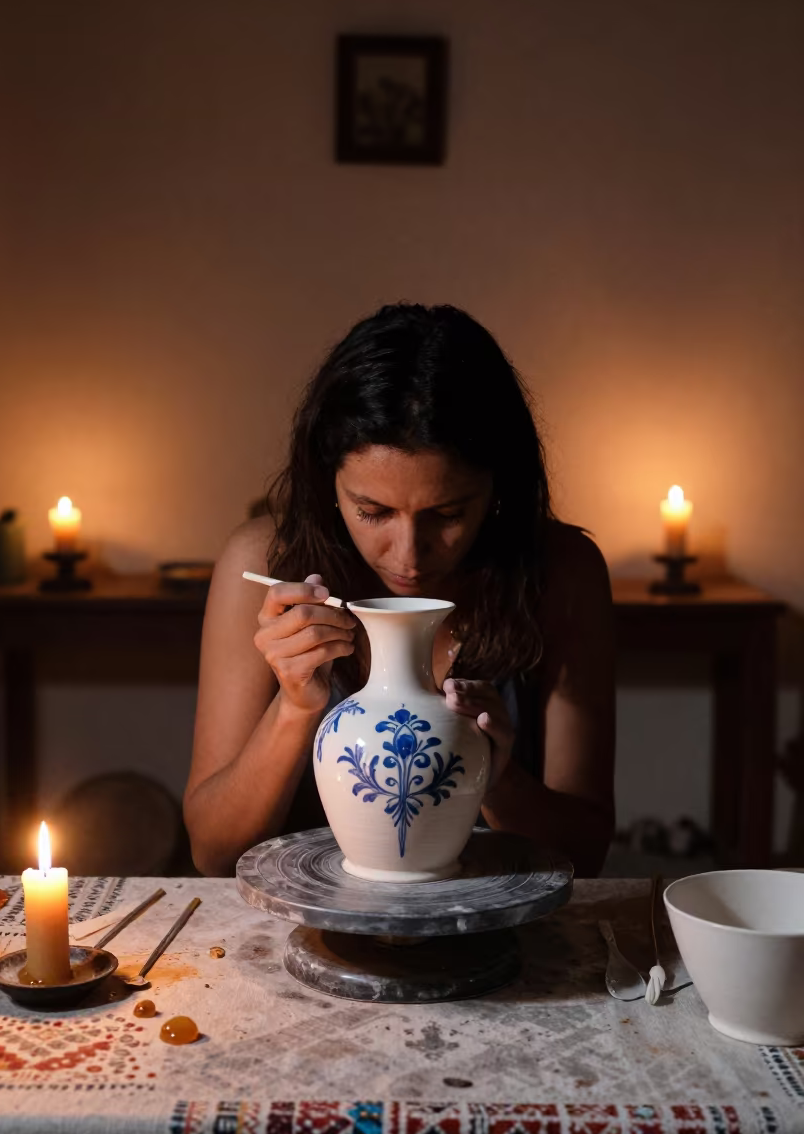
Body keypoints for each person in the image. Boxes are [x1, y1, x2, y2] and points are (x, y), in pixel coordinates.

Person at [184, 303, 615, 877]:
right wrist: (294, 707)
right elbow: (213, 853)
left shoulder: (560, 571)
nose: (409, 555)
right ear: (328, 485)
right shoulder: (264, 563)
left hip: (497, 934)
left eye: (448, 513)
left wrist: (498, 775)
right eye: (373, 511)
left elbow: (585, 854)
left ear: (498, 488)